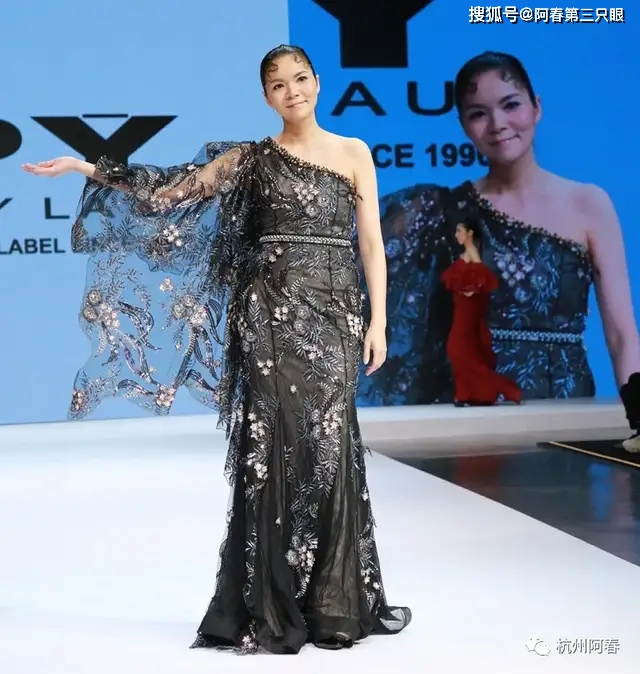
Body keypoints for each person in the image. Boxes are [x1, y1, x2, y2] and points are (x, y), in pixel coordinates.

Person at [22, 44, 410, 654]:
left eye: (300, 78)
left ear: (318, 81)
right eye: (278, 84)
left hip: (336, 317)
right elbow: (168, 193)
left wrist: (378, 320)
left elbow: (371, 244)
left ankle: (335, 603)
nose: (292, 91)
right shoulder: (249, 160)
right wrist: (84, 167)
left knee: (332, 446)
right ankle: (270, 604)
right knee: (271, 449)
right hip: (268, 317)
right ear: (266, 97)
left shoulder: (354, 152)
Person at [355, 51, 640, 447]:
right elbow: (358, 255)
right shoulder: (445, 211)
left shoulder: (589, 204)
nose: (498, 124)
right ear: (463, 125)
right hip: (472, 415)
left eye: (511, 105)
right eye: (478, 113)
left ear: (536, 107)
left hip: (566, 406)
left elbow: (622, 335)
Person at [442, 221, 521, 406]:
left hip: (468, 312)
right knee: (465, 353)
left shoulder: (473, 253)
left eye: (459, 231)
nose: (456, 235)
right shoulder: (465, 254)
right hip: (461, 310)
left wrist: (469, 290)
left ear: (469, 233)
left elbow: (481, 278)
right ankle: (469, 394)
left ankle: (502, 387)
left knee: (456, 349)